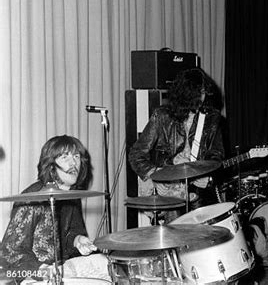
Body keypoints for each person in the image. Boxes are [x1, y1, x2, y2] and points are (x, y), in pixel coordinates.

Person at [1, 135, 109, 282]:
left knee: (105, 263)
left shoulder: (72, 195)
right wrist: (40, 269)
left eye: (76, 156)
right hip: (34, 273)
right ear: (51, 166)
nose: (74, 163)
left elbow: (70, 234)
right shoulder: (32, 198)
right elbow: (10, 250)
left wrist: (77, 240)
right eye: (65, 157)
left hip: (61, 266)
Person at [129, 68, 225, 221]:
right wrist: (155, 175)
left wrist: (210, 178)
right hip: (169, 193)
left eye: (204, 92)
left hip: (198, 194)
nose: (203, 97)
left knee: (206, 239)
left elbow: (216, 158)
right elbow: (136, 154)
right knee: (174, 236)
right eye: (198, 92)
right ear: (185, 93)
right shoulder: (162, 116)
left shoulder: (211, 119)